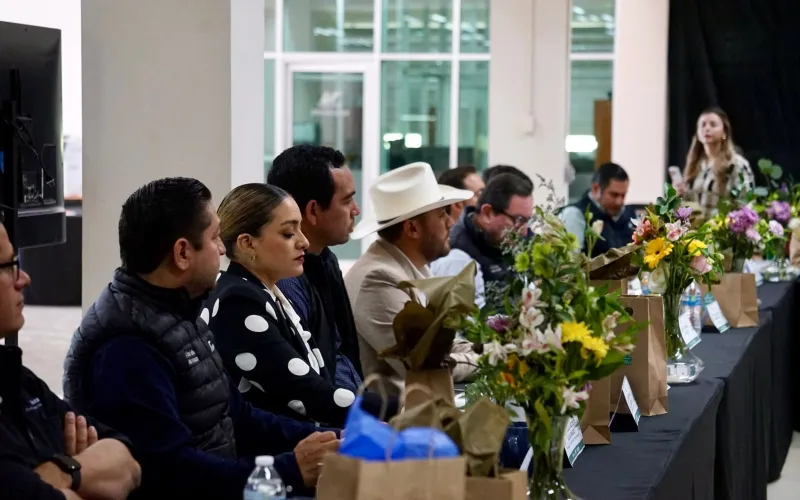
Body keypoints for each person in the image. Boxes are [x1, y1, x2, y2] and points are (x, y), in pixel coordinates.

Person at [63, 178, 340, 498]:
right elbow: (170, 472)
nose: (223, 248)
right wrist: (289, 470)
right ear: (183, 253)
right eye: (214, 237)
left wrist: (331, 440)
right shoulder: (126, 349)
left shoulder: (179, 312)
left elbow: (236, 415)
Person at [205, 183, 388, 428]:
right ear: (248, 243)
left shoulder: (265, 291)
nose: (304, 242)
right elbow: (307, 393)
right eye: (288, 233)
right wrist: (395, 408)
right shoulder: (238, 302)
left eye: (300, 229)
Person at [0, 219, 141, 500]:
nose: (23, 279)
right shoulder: (124, 341)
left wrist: (63, 471)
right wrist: (86, 477)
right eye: (8, 266)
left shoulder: (18, 379)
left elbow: (128, 463)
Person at [345, 162, 479, 394]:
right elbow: (425, 365)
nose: (450, 223)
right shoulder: (379, 278)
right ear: (412, 229)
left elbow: (440, 345)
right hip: (394, 414)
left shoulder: (407, 266)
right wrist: (492, 359)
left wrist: (492, 349)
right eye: (442, 214)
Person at [267, 145, 363, 393]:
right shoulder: (284, 280)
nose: (356, 210)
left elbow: (343, 353)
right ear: (313, 211)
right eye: (347, 200)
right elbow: (311, 383)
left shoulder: (326, 259)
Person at [448, 173, 534, 310]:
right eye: (518, 220)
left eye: (527, 221)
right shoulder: (455, 254)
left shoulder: (519, 240)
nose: (524, 232)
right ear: (487, 213)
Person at [676, 107, 754, 216]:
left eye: (713, 125)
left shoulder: (736, 164)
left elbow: (746, 203)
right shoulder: (695, 164)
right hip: (697, 226)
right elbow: (692, 206)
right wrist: (680, 194)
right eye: (703, 125)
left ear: (724, 132)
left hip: (724, 225)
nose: (707, 128)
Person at [560, 162, 635, 257]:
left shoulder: (628, 214)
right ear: (596, 189)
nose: (619, 202)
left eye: (623, 195)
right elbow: (573, 260)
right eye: (614, 195)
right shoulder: (575, 215)